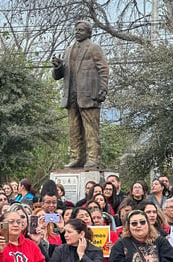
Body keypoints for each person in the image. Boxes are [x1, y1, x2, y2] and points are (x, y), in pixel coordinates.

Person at [52, 20, 109, 168]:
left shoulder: (94, 48)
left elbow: (103, 69)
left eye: (81, 30)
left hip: (89, 95)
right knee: (74, 129)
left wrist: (103, 89)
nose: (77, 32)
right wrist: (58, 66)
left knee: (91, 130)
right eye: (76, 29)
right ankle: (76, 157)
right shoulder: (68, 50)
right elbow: (58, 75)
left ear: (88, 33)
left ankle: (93, 158)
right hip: (71, 96)